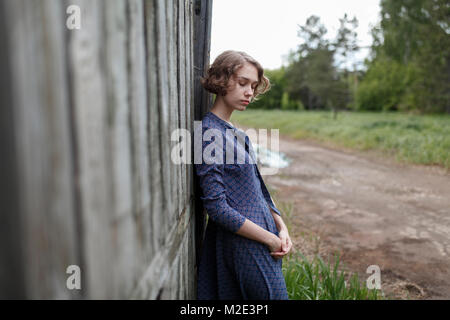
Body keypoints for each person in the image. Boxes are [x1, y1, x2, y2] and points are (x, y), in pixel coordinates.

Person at [194, 50, 293, 300]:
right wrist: (270, 239)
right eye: (242, 83)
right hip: (244, 244)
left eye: (253, 86)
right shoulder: (208, 133)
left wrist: (281, 228)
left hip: (266, 236)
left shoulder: (236, 134)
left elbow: (259, 189)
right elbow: (217, 207)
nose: (250, 92)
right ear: (221, 79)